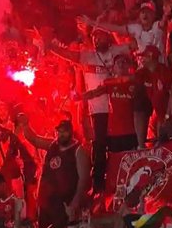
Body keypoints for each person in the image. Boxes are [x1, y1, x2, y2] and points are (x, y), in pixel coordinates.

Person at [52, 27, 130, 191]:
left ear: (107, 37)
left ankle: (121, 179)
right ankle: (99, 184)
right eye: (95, 38)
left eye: (100, 36)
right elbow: (69, 55)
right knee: (99, 145)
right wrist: (50, 47)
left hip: (118, 106)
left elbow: (133, 45)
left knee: (117, 144)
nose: (97, 40)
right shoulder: (88, 56)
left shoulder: (116, 50)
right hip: (98, 109)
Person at [18, 115, 90, 228]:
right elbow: (34, 140)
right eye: (59, 132)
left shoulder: (78, 151)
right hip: (46, 203)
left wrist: (75, 203)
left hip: (64, 204)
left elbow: (84, 179)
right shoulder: (53, 145)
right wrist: (25, 125)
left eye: (64, 132)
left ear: (71, 132)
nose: (61, 135)